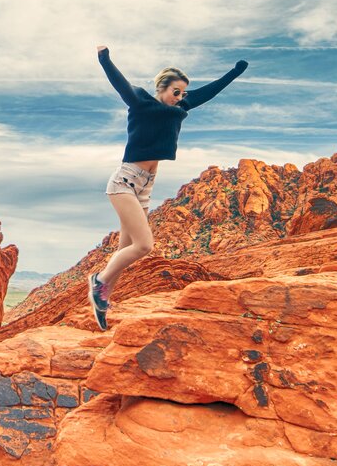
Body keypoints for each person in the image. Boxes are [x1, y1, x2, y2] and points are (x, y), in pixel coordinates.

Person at [87, 44, 247, 330]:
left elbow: (209, 92)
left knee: (126, 248)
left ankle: (103, 299)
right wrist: (104, 59)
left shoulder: (181, 106)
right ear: (161, 89)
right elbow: (120, 84)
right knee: (144, 245)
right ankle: (98, 282)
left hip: (145, 186)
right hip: (124, 181)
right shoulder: (140, 102)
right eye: (176, 92)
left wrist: (234, 73)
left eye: (183, 93)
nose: (180, 98)